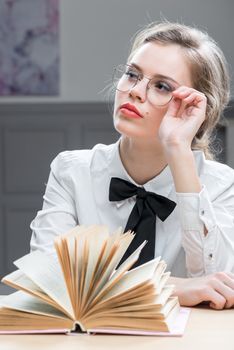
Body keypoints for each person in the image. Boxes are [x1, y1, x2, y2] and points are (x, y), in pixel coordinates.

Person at [30, 21, 234, 309]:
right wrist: (172, 287)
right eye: (132, 74)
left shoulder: (221, 184)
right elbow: (46, 277)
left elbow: (218, 288)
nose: (135, 91)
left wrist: (178, 149)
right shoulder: (71, 171)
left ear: (195, 110)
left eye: (162, 86)